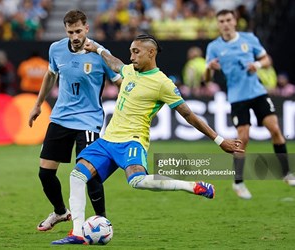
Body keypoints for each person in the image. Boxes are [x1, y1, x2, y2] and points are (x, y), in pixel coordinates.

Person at [51, 34, 244, 245]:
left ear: (151, 53)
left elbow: (188, 115)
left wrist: (219, 140)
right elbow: (116, 64)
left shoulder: (163, 84)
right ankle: (78, 233)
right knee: (77, 175)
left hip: (132, 141)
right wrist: (97, 49)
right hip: (107, 140)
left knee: (137, 181)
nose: (131, 56)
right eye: (131, 51)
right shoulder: (130, 70)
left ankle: (191, 186)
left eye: (136, 52)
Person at [28, 10, 122, 232]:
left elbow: (120, 81)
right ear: (66, 31)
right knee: (45, 173)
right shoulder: (56, 49)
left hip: (89, 121)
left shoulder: (101, 54)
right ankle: (60, 212)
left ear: (87, 29)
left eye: (79, 31)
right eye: (71, 32)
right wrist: (38, 104)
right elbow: (51, 75)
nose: (75, 36)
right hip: (60, 118)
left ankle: (102, 221)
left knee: (89, 173)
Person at [204, 9, 295, 200]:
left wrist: (258, 65)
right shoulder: (214, 47)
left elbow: (267, 60)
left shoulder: (249, 39)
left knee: (275, 129)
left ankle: (286, 173)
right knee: (242, 139)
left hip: (257, 92)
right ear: (218, 24)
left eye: (228, 20)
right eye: (221, 21)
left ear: (235, 21)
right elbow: (207, 79)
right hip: (237, 97)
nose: (226, 24)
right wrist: (209, 69)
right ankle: (238, 183)